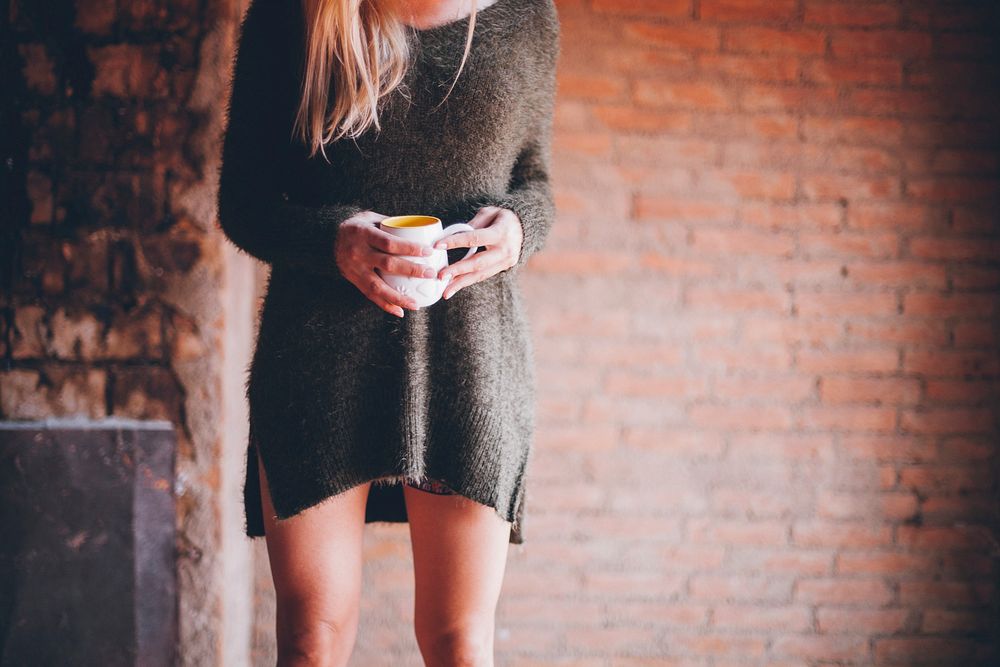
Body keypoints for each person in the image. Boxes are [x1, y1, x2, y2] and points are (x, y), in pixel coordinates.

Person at [216, 0, 559, 663]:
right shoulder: (293, 16)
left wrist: (518, 228)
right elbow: (244, 201)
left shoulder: (526, 17)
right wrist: (332, 240)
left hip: (471, 363)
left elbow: (536, 183)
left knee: (459, 641)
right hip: (316, 358)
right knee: (313, 638)